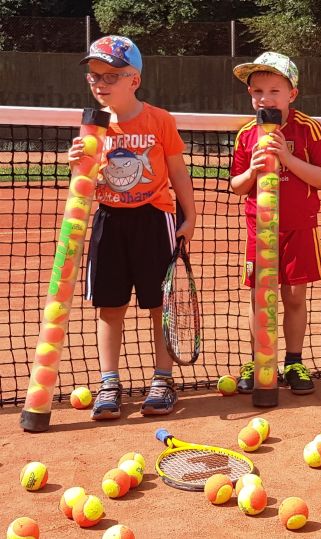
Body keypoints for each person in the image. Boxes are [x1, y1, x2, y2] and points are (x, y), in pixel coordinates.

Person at [67, 35, 197, 419]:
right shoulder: (93, 126)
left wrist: (190, 216)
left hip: (155, 219)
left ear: (134, 79)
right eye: (94, 76)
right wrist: (77, 164)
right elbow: (85, 187)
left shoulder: (160, 120)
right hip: (109, 220)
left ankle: (162, 380)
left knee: (160, 306)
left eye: (110, 75)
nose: (100, 83)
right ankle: (109, 383)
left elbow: (177, 170)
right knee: (110, 307)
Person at [230, 52, 321, 395]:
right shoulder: (246, 133)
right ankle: (260, 360)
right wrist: (255, 170)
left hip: (299, 226)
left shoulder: (309, 128)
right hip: (258, 228)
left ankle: (293, 361)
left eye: (274, 90)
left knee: (293, 297)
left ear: (292, 94)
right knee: (260, 298)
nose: (265, 98)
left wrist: (287, 158)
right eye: (258, 90)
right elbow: (237, 185)